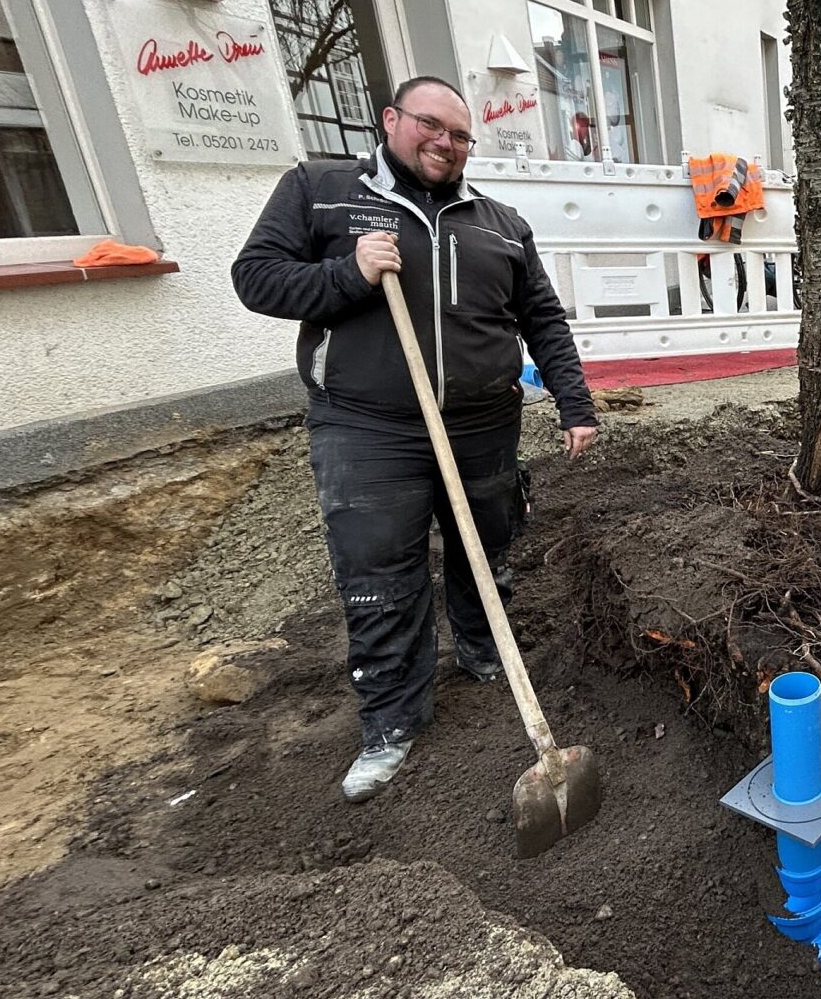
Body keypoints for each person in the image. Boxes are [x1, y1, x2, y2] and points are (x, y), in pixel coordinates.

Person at [231, 76, 598, 803]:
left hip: (483, 420)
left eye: (461, 135)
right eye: (431, 125)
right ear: (392, 119)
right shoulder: (322, 191)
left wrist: (573, 404)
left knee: (487, 546)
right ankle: (391, 722)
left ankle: (482, 648)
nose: (446, 143)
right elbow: (257, 279)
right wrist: (349, 273)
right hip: (368, 426)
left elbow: (543, 321)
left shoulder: (499, 222)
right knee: (379, 577)